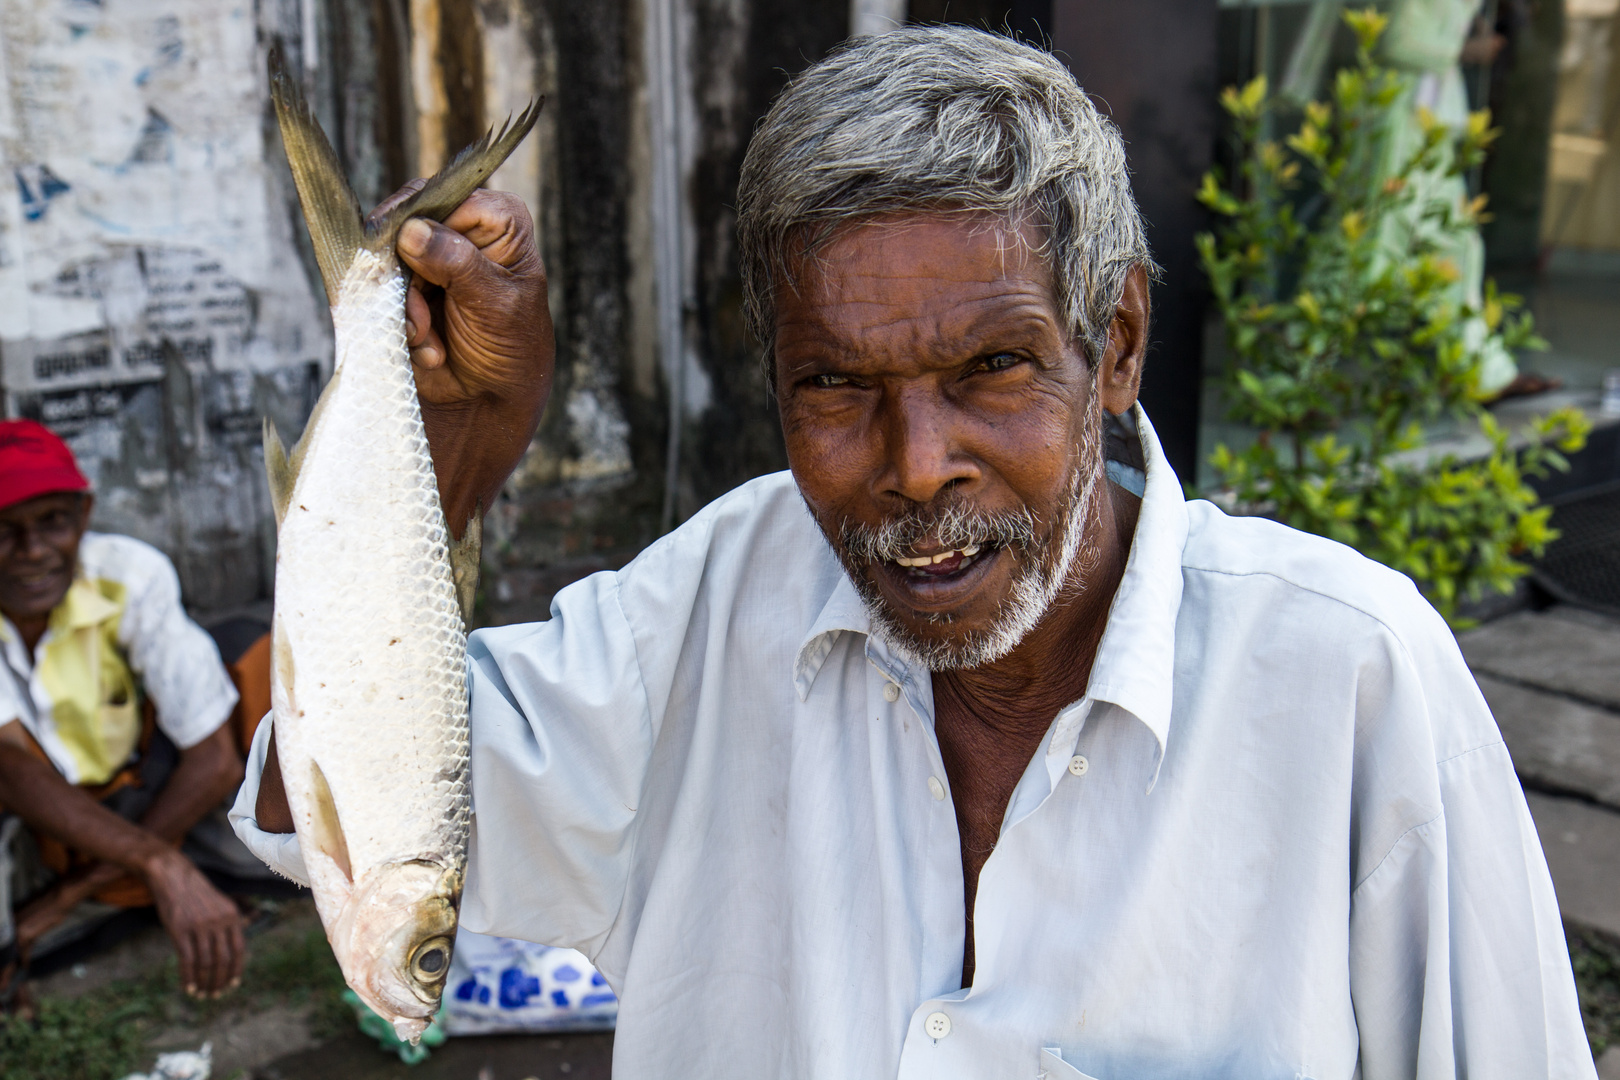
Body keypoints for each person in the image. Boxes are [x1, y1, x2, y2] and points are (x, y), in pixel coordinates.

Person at [234, 27, 1596, 1079]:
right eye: (834, 386)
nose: (915, 463)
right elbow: (332, 806)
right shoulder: (713, 602)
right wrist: (453, 449)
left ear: (1115, 346)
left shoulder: (1351, 679)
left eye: (995, 366)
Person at [0, 420, 248, 1001]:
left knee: (253, 663)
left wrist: (68, 896)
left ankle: (99, 895)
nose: (32, 552)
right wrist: (161, 863)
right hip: (30, 808)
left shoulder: (128, 574)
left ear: (83, 519)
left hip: (131, 787)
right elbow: (11, 768)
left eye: (52, 523)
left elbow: (214, 761)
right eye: (3, 532)